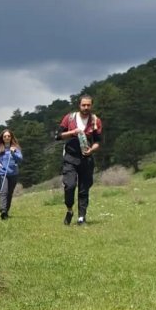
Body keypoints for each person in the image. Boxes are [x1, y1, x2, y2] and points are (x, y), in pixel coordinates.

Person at [56, 95, 102, 225]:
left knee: (84, 189)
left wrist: (92, 150)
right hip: (70, 157)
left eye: (88, 105)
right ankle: (69, 209)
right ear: (79, 105)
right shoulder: (69, 118)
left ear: (91, 106)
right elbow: (58, 136)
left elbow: (98, 141)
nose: (86, 108)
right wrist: (72, 132)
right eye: (83, 105)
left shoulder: (95, 121)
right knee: (69, 186)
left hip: (86, 159)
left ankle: (82, 217)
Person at [0, 128, 23, 220]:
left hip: (13, 174)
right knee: (3, 192)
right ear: (2, 138)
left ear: (11, 137)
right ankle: (3, 211)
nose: (7, 138)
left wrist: (13, 153)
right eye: (5, 136)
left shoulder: (16, 148)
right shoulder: (0, 149)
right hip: (3, 173)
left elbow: (20, 159)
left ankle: (6, 211)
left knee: (9, 193)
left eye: (8, 136)